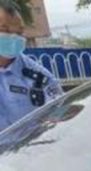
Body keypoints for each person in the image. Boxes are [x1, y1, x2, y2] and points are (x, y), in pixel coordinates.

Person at [0, 0, 62, 132]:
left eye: (19, 32)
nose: (13, 38)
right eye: (5, 30)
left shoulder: (39, 77)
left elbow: (59, 115)